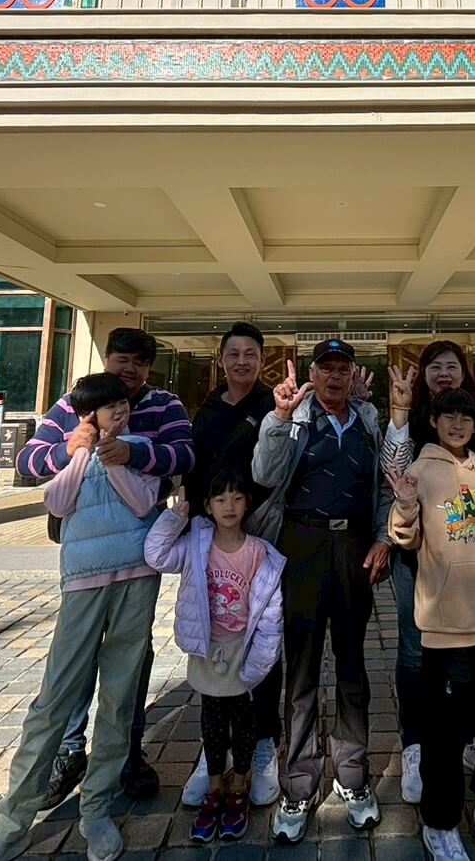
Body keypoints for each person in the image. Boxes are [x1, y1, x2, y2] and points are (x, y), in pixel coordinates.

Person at [0, 373, 162, 861]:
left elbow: (144, 502)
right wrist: (79, 451)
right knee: (54, 698)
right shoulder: (70, 448)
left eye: (122, 404)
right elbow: (56, 502)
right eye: (109, 407)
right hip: (82, 581)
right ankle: (13, 823)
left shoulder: (140, 446)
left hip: (136, 578)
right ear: (87, 414)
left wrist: (117, 456)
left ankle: (96, 810)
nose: (120, 412)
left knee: (119, 699)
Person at [16, 327, 195, 808]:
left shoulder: (164, 404)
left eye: (141, 362)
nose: (131, 368)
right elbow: (28, 462)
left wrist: (132, 452)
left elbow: (184, 454)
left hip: (138, 554)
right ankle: (69, 749)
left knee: (132, 655)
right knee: (74, 659)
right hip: (84, 561)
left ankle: (126, 751)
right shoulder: (74, 402)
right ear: (109, 358)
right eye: (123, 358)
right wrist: (68, 448)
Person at [250, 339, 391, 844]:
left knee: (352, 665)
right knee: (303, 666)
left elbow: (384, 486)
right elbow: (264, 474)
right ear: (312, 373)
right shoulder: (293, 416)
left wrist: (382, 537)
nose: (334, 376)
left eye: (342, 369)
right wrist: (279, 419)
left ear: (353, 375)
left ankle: (353, 775)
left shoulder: (368, 421)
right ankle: (298, 783)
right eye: (325, 368)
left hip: (353, 546)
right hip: (302, 543)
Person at [388, 388, 475, 861]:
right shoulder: (420, 471)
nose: (456, 424)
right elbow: (404, 537)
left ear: (474, 424)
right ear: (433, 421)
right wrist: (405, 503)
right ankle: (441, 823)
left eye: (465, 417)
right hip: (445, 632)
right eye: (448, 415)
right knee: (444, 739)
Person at [379, 341, 475, 802]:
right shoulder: (411, 419)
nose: (443, 373)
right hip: (416, 558)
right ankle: (415, 743)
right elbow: (392, 474)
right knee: (415, 651)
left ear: (465, 372)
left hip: (472, 560)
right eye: (435, 367)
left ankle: (465, 734)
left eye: (452, 366)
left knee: (471, 651)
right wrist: (399, 411)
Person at [145, 468, 286, 843]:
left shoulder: (259, 553)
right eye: (220, 499)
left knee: (243, 720)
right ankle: (213, 786)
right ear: (207, 506)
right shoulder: (196, 544)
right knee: (211, 719)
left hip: (240, 649)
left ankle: (239, 784)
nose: (229, 506)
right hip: (208, 648)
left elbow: (270, 614)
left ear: (247, 504)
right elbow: (156, 555)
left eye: (237, 498)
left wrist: (260, 660)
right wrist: (176, 517)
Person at [180, 322, 282, 808]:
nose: (242, 362)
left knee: (262, 640)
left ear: (262, 360)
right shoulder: (207, 411)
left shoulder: (273, 406)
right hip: (214, 542)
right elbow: (194, 474)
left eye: (251, 354)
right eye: (234, 354)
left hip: (261, 538)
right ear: (221, 359)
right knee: (215, 638)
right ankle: (214, 755)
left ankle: (262, 745)